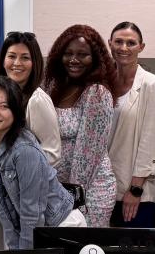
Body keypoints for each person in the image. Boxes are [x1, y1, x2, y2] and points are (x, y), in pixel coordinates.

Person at [0, 76, 86, 250]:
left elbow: (32, 215)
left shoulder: (25, 150)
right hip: (31, 227)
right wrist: (13, 251)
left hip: (60, 225)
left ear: (16, 111)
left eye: (4, 106)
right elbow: (0, 203)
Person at [44, 24, 117, 227]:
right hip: (61, 191)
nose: (74, 60)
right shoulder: (53, 87)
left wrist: (71, 200)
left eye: (82, 54)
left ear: (95, 58)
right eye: (68, 53)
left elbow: (88, 155)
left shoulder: (97, 93)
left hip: (88, 192)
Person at [106, 22, 155, 228]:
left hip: (136, 196)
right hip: (103, 190)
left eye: (131, 43)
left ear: (141, 47)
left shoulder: (152, 85)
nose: (124, 48)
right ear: (109, 44)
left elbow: (152, 142)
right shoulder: (102, 83)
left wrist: (135, 190)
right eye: (119, 42)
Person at [0, 31, 61, 166]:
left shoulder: (37, 100)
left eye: (25, 58)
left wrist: (23, 173)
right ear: (3, 61)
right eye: (11, 56)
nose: (17, 63)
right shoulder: (0, 96)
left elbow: (52, 154)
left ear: (34, 62)